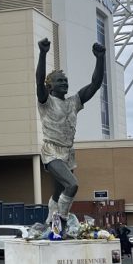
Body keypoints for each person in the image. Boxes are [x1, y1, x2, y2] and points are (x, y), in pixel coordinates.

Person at [35, 37, 106, 236]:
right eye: (60, 81)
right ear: (50, 87)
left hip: (68, 153)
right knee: (72, 185)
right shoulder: (45, 101)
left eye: (66, 81)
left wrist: (100, 59)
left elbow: (95, 84)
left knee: (58, 194)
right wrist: (42, 53)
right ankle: (61, 223)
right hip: (52, 150)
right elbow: (38, 80)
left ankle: (51, 219)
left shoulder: (74, 102)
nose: (65, 83)